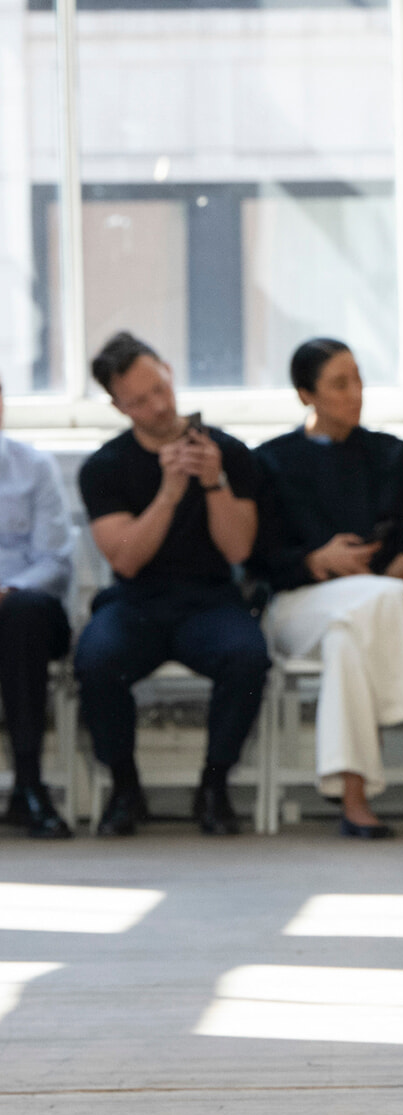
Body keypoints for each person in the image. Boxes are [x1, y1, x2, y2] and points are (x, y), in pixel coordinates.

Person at [74, 333, 269, 836]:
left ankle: (214, 783)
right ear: (118, 406)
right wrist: (169, 492)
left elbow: (239, 552)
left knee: (247, 655)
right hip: (136, 599)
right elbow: (127, 561)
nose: (159, 407)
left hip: (210, 597)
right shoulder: (104, 467)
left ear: (167, 370)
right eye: (139, 401)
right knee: (96, 658)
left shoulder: (228, 453)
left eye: (160, 389)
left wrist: (213, 483)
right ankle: (123, 786)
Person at [252, 339, 403, 838]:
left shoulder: (393, 455)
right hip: (297, 606)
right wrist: (315, 560)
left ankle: (354, 801)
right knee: (371, 601)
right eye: (339, 384)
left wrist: (402, 563)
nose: (355, 393)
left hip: (369, 610)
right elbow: (258, 559)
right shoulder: (269, 462)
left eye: (357, 379)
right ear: (304, 395)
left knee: (347, 640)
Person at [0, 374, 74, 838]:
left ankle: (29, 786)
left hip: (25, 611)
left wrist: (7, 591)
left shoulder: (34, 467)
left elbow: (55, 563)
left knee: (21, 616)